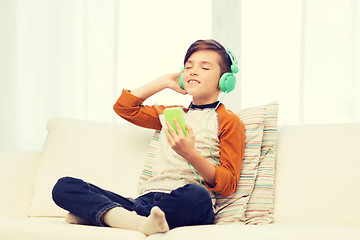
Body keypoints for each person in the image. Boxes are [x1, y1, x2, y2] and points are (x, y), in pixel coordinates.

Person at [52, 39, 245, 236]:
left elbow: (228, 183)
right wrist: (164, 82)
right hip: (145, 200)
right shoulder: (168, 114)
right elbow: (124, 108)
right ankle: (140, 220)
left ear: (225, 80)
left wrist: (190, 154)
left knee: (199, 196)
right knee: (64, 186)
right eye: (188, 67)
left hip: (185, 200)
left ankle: (108, 216)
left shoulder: (229, 121)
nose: (193, 71)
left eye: (205, 67)